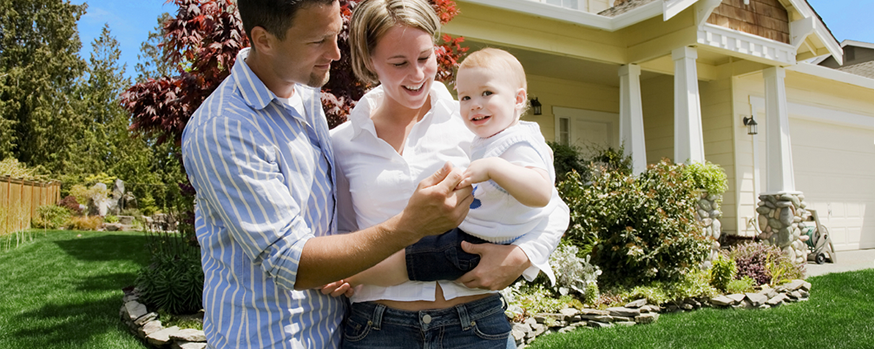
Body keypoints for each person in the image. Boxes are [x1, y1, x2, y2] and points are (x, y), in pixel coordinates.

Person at [180, 1, 475, 347]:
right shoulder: (224, 129)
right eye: (317, 41)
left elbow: (339, 224)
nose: (335, 53)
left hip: (333, 332)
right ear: (264, 40)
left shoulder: (303, 94)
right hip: (268, 338)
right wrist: (411, 224)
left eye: (335, 35)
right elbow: (293, 263)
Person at [328, 1, 569, 348]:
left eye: (425, 57)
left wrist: (521, 257)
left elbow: (554, 207)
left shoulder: (477, 122)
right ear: (369, 61)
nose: (417, 74)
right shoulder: (342, 144)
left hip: (474, 326)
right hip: (379, 329)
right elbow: (344, 236)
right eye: (399, 63)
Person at [334, 47, 564, 288]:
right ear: (371, 64)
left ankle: (350, 277)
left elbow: (544, 197)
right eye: (465, 97)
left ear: (517, 99)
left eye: (487, 93)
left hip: (483, 241)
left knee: (415, 259)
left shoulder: (517, 141)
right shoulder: (486, 136)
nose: (475, 105)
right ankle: (350, 274)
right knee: (418, 254)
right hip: (476, 233)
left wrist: (522, 255)